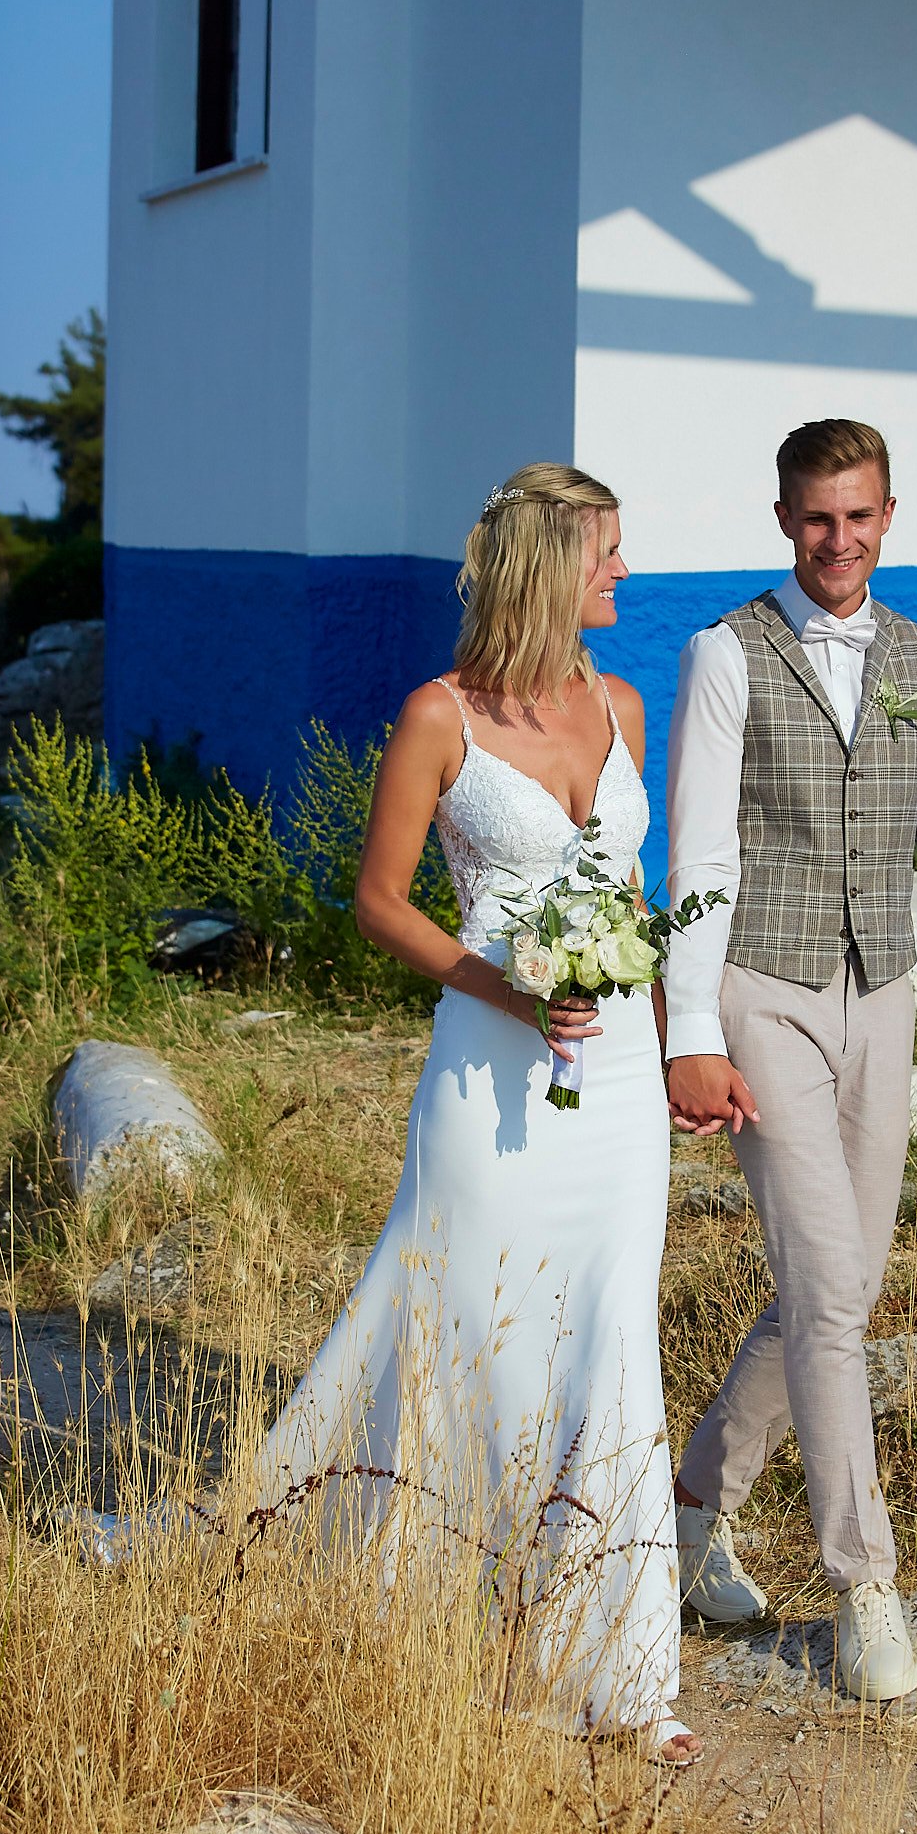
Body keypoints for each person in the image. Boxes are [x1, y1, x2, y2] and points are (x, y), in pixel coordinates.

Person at [256, 464, 701, 1766]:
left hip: (613, 1080)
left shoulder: (619, 703)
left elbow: (635, 897)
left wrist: (675, 1052)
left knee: (615, 1342)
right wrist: (503, 985)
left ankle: (621, 1681)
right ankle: (415, 1621)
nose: (625, 572)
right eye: (607, 552)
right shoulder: (438, 717)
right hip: (486, 1074)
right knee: (466, 1334)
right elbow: (382, 900)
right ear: (546, 568)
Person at [664, 419, 917, 1703]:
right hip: (759, 992)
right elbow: (701, 863)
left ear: (890, 518)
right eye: (817, 518)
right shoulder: (722, 656)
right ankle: (864, 1585)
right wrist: (691, 1029)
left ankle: (691, 1508)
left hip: (879, 998)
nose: (839, 541)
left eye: (859, 517)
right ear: (784, 519)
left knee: (840, 1287)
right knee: (828, 1293)